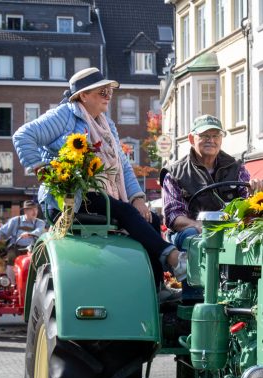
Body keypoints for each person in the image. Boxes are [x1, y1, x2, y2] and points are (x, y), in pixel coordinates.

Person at [13, 67, 186, 281]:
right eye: (102, 92)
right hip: (69, 198)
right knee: (126, 212)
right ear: (83, 95)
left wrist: (138, 198)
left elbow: (121, 166)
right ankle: (173, 257)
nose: (108, 96)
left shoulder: (107, 124)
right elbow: (22, 136)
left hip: (98, 195)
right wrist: (44, 170)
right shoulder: (64, 114)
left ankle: (157, 287)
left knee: (150, 218)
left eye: (110, 92)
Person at [160, 115, 257, 253]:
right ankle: (192, 273)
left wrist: (254, 191)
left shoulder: (236, 166)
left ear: (221, 139)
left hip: (231, 228)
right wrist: (198, 225)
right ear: (191, 138)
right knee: (196, 237)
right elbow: (173, 217)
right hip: (191, 231)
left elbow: (248, 200)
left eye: (216, 135)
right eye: (205, 136)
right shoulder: (175, 173)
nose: (211, 140)